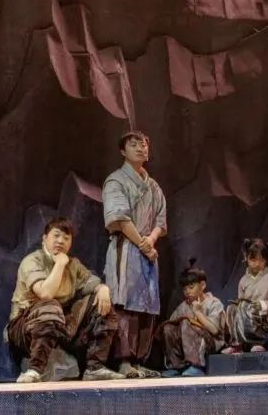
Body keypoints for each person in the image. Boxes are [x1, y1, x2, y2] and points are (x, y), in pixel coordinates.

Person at [7, 218, 123, 383]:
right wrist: (60, 264)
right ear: (45, 238)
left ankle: (95, 367)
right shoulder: (32, 261)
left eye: (66, 238)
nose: (61, 241)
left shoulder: (73, 264)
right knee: (50, 306)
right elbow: (46, 293)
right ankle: (35, 370)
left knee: (100, 304)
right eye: (56, 235)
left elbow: (90, 281)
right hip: (26, 328)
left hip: (60, 325)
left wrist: (102, 289)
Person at [102, 131, 166, 379]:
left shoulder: (153, 186)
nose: (140, 148)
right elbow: (120, 218)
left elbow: (160, 220)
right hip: (127, 248)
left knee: (147, 306)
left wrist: (151, 240)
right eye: (133, 144)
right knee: (124, 304)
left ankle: (139, 361)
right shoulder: (115, 181)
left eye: (144, 144)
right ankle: (124, 361)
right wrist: (142, 243)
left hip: (147, 250)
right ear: (123, 151)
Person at [159, 259, 224, 377]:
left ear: (202, 285)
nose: (187, 291)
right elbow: (173, 324)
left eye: (191, 287)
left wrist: (198, 313)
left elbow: (215, 330)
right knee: (168, 328)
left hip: (210, 343)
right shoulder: (184, 306)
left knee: (186, 322)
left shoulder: (214, 303)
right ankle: (176, 365)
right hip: (188, 346)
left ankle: (196, 365)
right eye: (185, 289)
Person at [221, 239, 268, 354]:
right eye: (253, 259)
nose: (257, 264)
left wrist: (263, 305)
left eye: (261, 260)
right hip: (247, 316)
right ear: (246, 258)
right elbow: (241, 301)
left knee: (247, 308)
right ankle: (237, 344)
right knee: (233, 308)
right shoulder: (243, 280)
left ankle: (259, 342)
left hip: (266, 319)